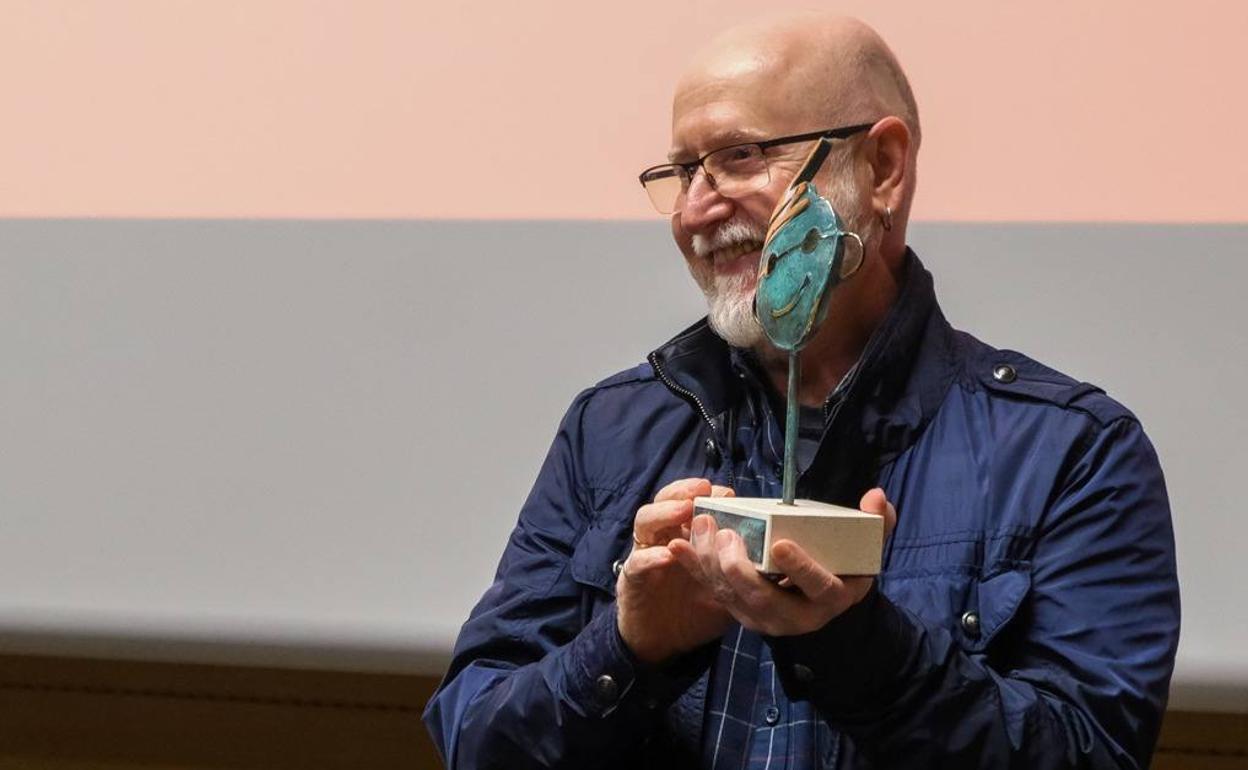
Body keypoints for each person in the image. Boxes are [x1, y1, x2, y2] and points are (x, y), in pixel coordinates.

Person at [423, 13, 1180, 769]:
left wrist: (857, 643)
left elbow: (1091, 755)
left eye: (741, 156)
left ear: (881, 167)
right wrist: (631, 647)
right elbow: (476, 737)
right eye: (683, 172)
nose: (694, 211)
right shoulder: (613, 429)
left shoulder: (1070, 452)